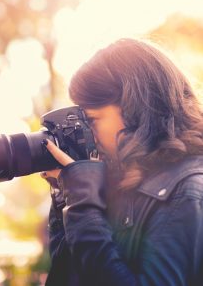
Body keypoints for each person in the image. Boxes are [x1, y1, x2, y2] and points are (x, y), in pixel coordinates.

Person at [40, 38, 203, 285]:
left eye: (92, 120)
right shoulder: (120, 180)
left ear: (135, 109)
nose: (88, 133)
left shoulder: (186, 190)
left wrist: (83, 205)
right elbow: (69, 276)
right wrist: (66, 195)